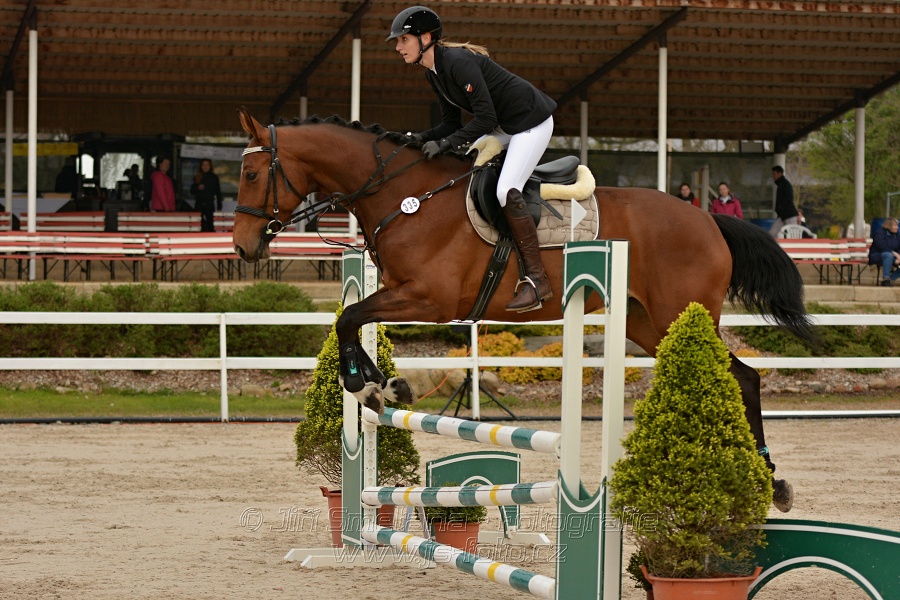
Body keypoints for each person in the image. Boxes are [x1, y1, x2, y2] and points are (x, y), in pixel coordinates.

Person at [388, 6, 557, 313]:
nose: (398, 47)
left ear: (425, 38)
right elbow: (451, 124)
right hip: (504, 127)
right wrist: (420, 138)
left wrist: (447, 143)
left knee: (506, 189)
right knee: (462, 164)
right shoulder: (434, 73)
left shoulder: (458, 62)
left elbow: (485, 116)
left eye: (403, 39)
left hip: (530, 123)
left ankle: (537, 279)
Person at [190, 158, 223, 232]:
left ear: (210, 166)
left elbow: (218, 192)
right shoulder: (197, 177)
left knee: (210, 224)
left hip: (209, 204)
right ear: (201, 166)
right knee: (198, 224)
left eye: (207, 165)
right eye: (204, 165)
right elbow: (192, 191)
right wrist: (198, 188)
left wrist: (219, 207)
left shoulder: (214, 177)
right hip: (199, 204)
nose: (205, 167)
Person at [867, 217, 900, 287]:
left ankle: (890, 279)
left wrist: (899, 257)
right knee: (888, 255)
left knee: (890, 255)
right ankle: (886, 277)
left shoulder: (897, 234)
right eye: (895, 226)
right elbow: (882, 247)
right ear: (889, 226)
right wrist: (896, 254)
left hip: (893, 256)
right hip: (877, 255)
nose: (897, 227)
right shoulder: (879, 233)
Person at [769, 165, 798, 236]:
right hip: (783, 214)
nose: (773, 176)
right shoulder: (783, 184)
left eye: (774, 174)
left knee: (793, 235)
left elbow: (787, 200)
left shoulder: (784, 185)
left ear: (780, 174)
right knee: (772, 233)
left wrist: (781, 209)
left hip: (788, 214)